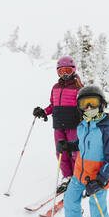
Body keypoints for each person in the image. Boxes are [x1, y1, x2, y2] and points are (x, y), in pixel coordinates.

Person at [56, 86, 109, 217]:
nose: (89, 107)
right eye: (84, 103)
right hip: (79, 174)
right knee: (70, 199)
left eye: (93, 102)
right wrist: (68, 145)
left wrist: (100, 180)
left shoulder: (108, 130)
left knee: (97, 210)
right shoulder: (83, 125)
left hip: (97, 178)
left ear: (102, 103)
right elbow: (80, 143)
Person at [33, 56, 83, 193]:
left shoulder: (79, 87)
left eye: (67, 70)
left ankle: (77, 177)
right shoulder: (55, 87)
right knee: (61, 152)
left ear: (73, 70)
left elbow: (86, 106)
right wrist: (44, 112)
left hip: (74, 125)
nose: (65, 74)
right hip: (58, 125)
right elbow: (53, 105)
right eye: (61, 71)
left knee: (75, 152)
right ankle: (67, 177)